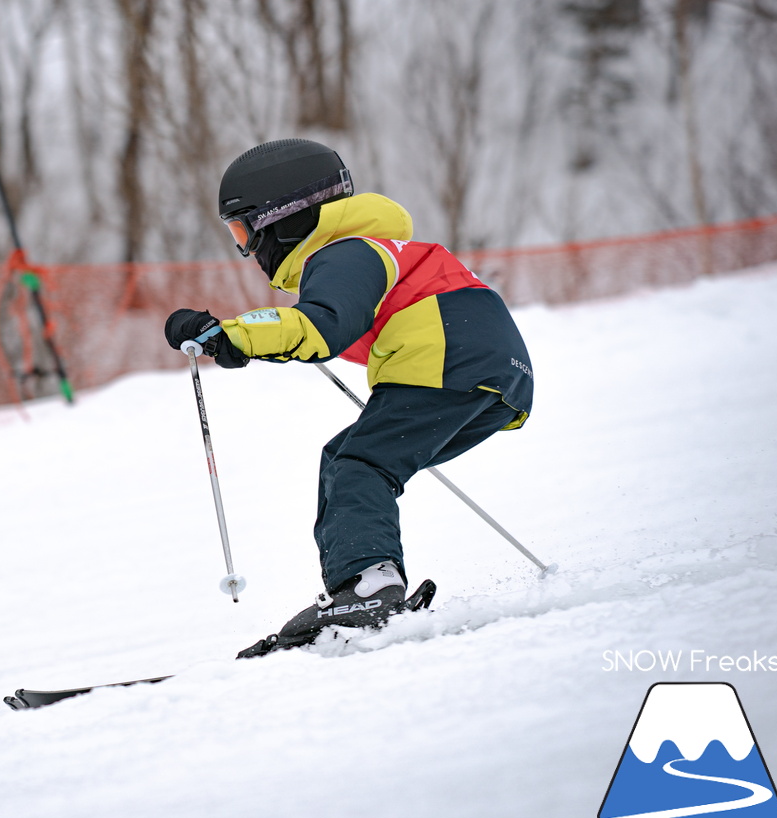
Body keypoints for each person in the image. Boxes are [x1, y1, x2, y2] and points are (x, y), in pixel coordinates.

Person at [164, 138, 534, 658]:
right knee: (355, 459)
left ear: (281, 218)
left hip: (451, 359)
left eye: (243, 232)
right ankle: (362, 588)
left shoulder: (347, 252)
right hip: (493, 377)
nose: (246, 249)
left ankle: (369, 588)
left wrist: (227, 335)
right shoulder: (373, 251)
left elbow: (319, 326)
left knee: (358, 463)